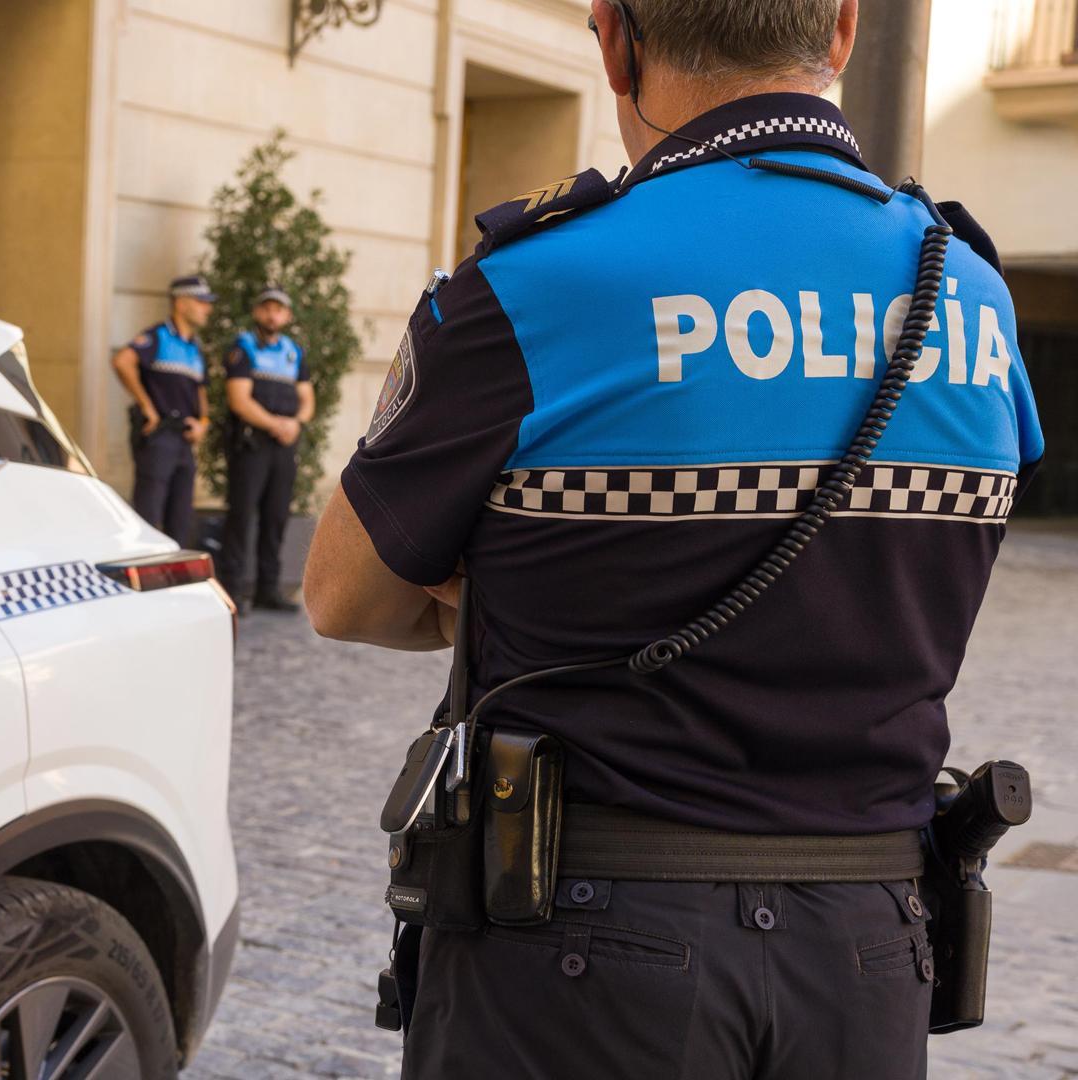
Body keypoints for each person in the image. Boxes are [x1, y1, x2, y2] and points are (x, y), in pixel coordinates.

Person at [303, 1, 1045, 1077]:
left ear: (613, 38)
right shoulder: (972, 294)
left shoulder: (533, 283)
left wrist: (523, 578)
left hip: (580, 946)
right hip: (868, 950)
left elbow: (343, 598)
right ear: (841, 31)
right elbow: (926, 560)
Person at [219, 285, 315, 612]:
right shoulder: (243, 347)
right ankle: (232, 591)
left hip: (283, 446)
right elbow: (239, 399)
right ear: (258, 312)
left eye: (279, 309)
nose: (272, 314)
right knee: (241, 516)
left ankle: (267, 590)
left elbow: (307, 400)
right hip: (252, 445)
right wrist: (276, 424)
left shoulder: (294, 352)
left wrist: (296, 423)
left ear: (287, 316)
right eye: (267, 308)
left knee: (276, 517)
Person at [112, 274, 214, 543]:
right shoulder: (157, 336)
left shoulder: (195, 347)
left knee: (180, 521)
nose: (208, 308)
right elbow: (123, 361)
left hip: (184, 441)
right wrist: (147, 406)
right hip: (160, 438)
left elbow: (200, 390)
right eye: (201, 301)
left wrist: (203, 423)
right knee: (149, 517)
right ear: (180, 302)